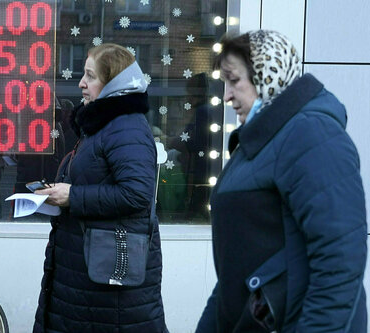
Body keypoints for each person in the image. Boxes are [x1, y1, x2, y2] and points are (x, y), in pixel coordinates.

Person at [195, 30, 366, 332]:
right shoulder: (257, 143)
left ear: (266, 74)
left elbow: (339, 260)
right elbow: (237, 270)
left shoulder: (311, 133)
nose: (226, 95)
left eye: (234, 81)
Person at [33, 43, 168, 332]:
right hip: (86, 274)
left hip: (105, 283)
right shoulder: (103, 125)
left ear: (113, 83)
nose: (81, 83)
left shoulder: (126, 126)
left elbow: (136, 194)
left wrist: (72, 196)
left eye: (90, 76)